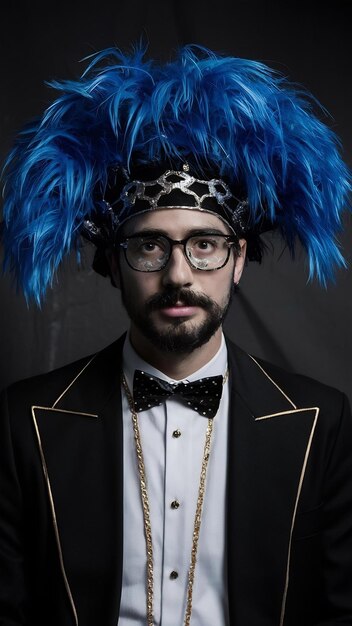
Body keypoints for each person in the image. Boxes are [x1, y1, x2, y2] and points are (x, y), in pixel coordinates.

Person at [0, 44, 351, 626]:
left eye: (204, 244)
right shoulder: (22, 422)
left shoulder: (323, 422)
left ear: (239, 259)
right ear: (113, 263)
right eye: (149, 245)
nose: (179, 274)